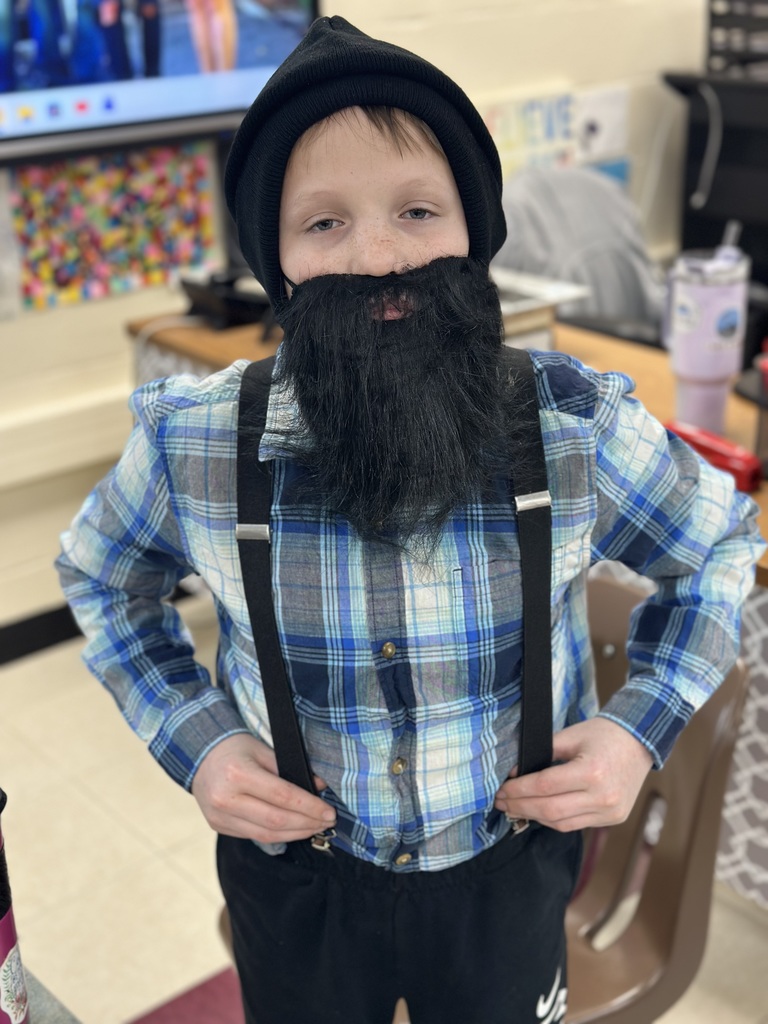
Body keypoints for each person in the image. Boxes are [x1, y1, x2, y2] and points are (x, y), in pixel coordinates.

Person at [56, 15, 764, 1024]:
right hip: (294, 883)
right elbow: (100, 575)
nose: (382, 256)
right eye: (325, 223)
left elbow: (721, 545)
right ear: (280, 259)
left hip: (506, 877)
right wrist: (197, 740)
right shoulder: (198, 443)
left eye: (419, 209)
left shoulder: (576, 424)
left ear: (475, 229)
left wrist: (635, 732)